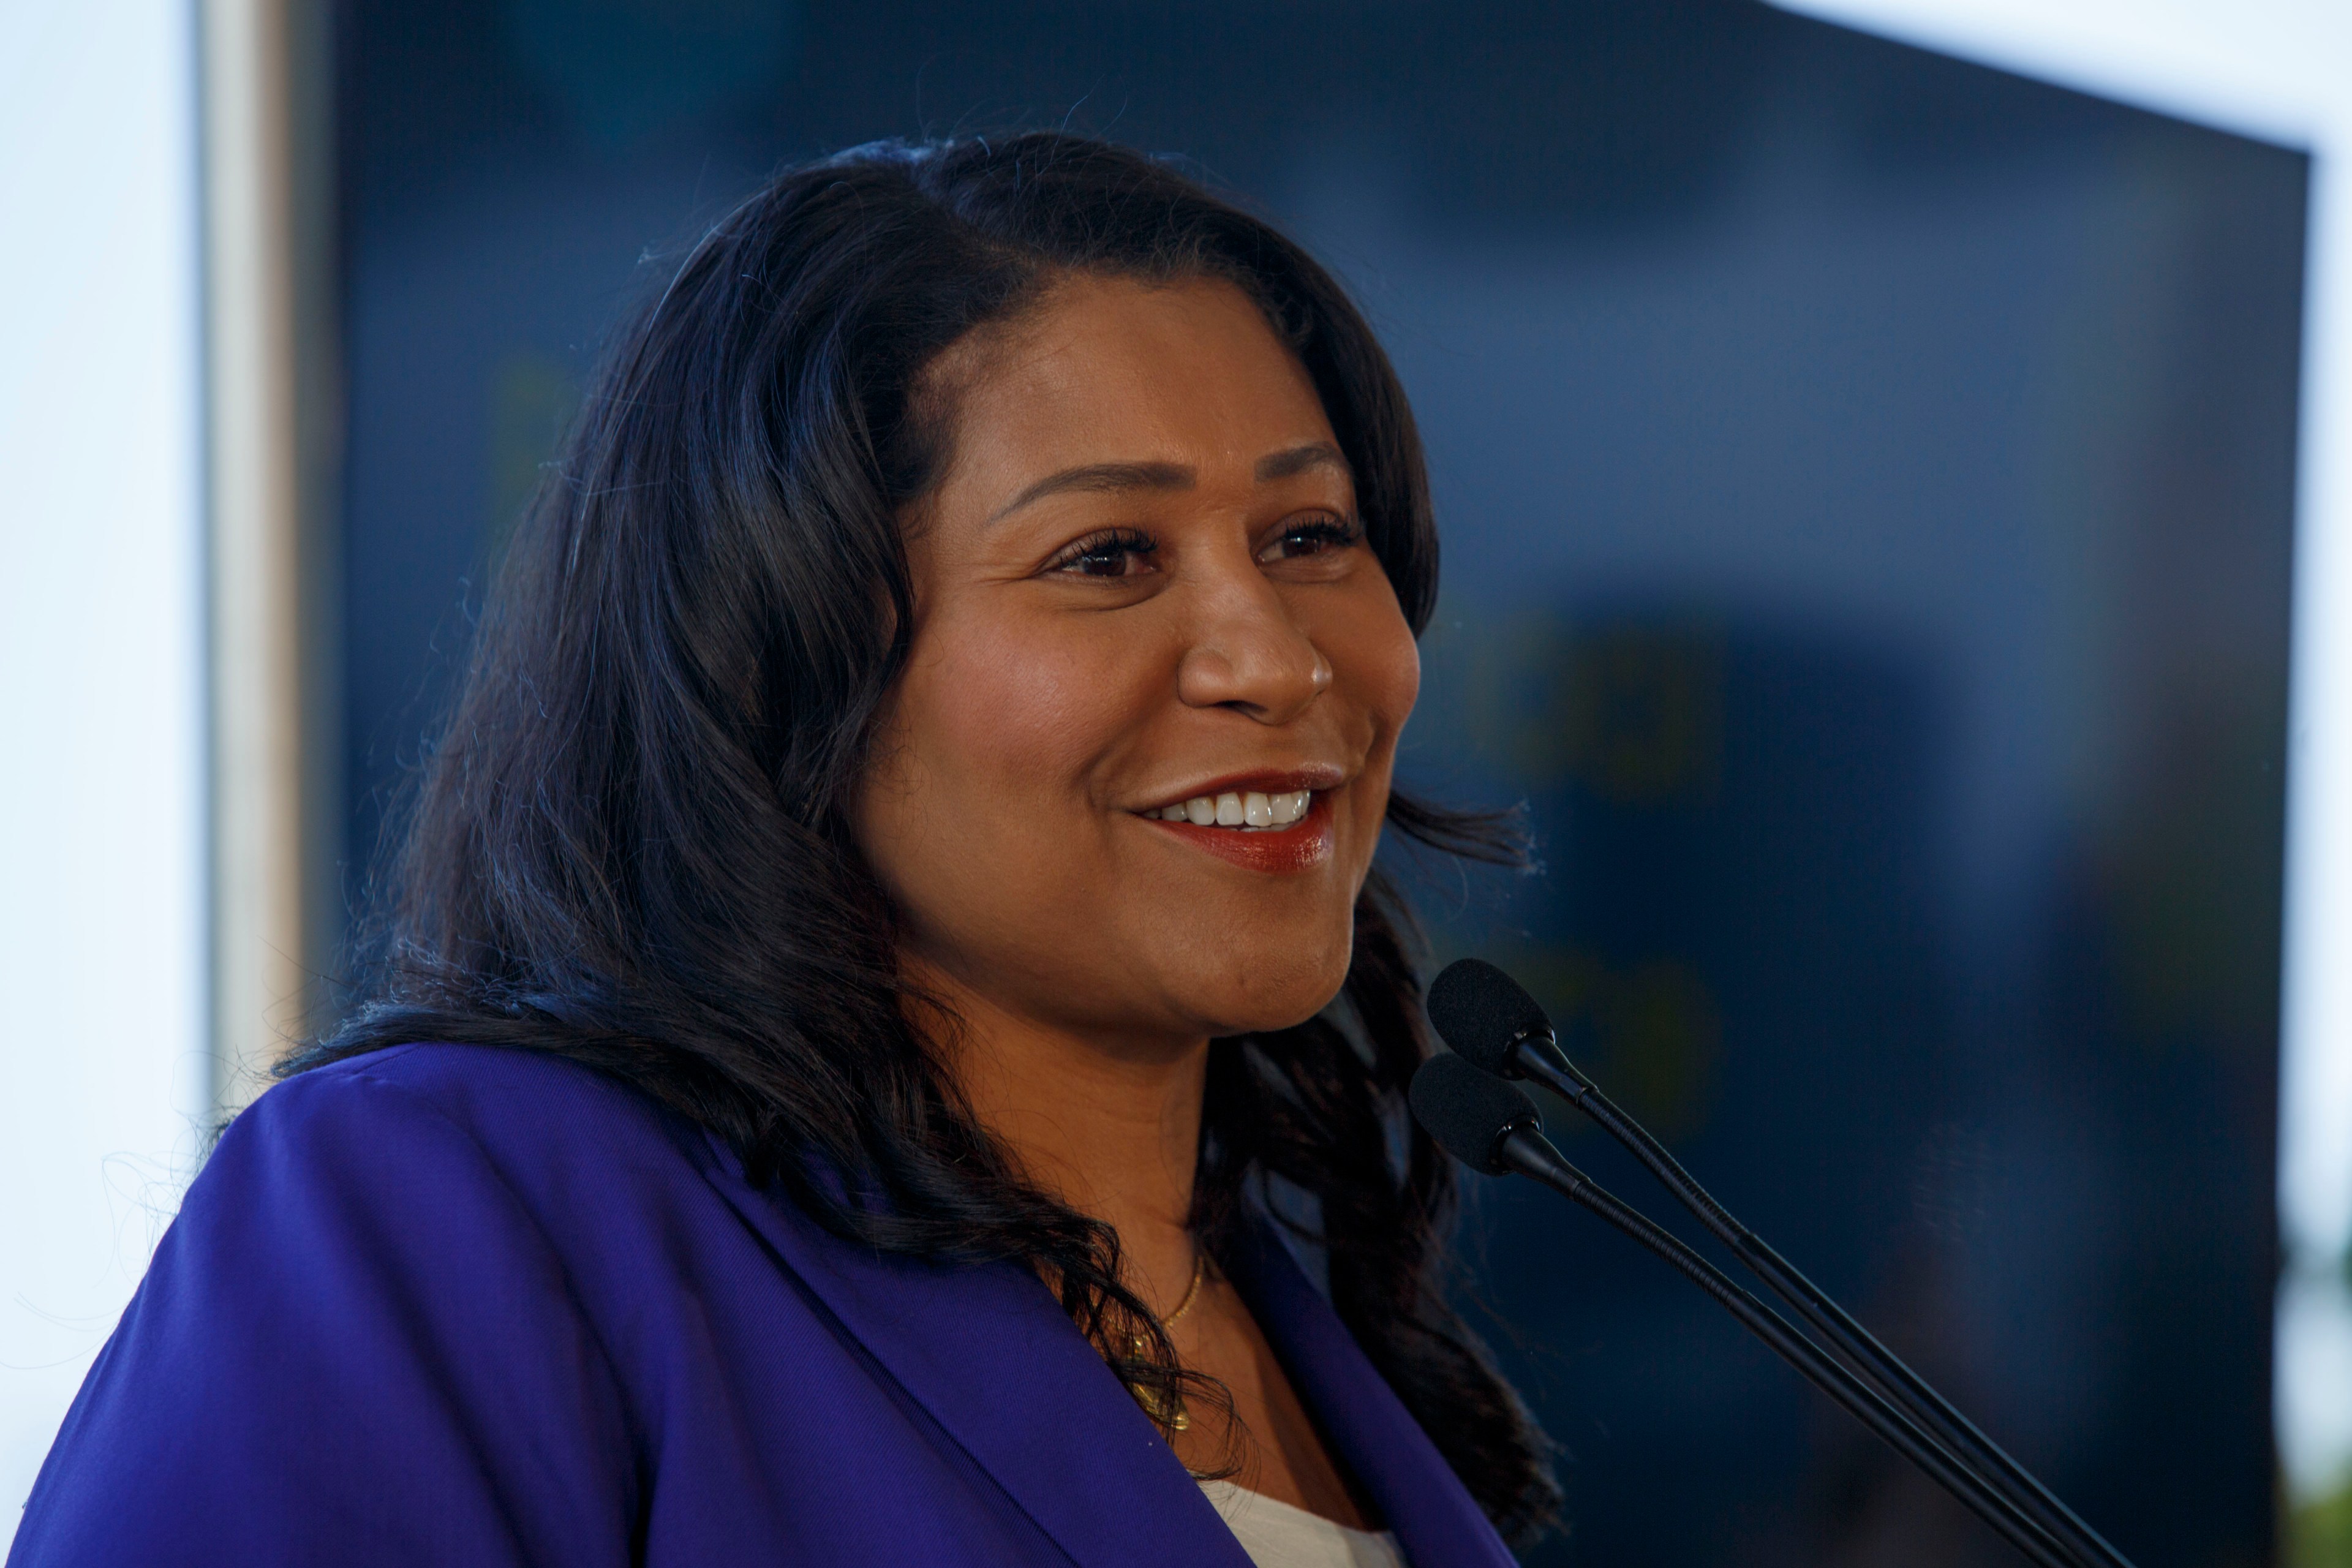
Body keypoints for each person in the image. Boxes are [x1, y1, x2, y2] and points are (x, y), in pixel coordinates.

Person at [11, 132, 1557, 1567]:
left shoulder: (1333, 1339)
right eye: (1109, 556)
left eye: (1308, 537)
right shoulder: (452, 1202)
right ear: (790, 660)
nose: (1276, 660)